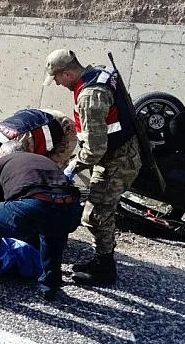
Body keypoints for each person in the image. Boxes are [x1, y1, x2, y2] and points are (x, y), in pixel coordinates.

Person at [43, 48, 142, 286]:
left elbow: (95, 149)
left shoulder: (90, 96)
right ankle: (100, 260)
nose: (56, 84)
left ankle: (105, 269)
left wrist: (71, 168)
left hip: (117, 159)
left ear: (67, 73)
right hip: (118, 152)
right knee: (99, 211)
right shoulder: (97, 73)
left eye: (56, 78)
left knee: (97, 214)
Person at [0, 148, 83, 302]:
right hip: (71, 209)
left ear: (2, 154)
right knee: (52, 230)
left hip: (36, 205)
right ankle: (50, 286)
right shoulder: (44, 160)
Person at [0, 108, 77, 214]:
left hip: (62, 128)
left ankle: (50, 213)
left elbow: (21, 178)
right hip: (36, 119)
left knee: (47, 175)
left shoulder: (17, 144)